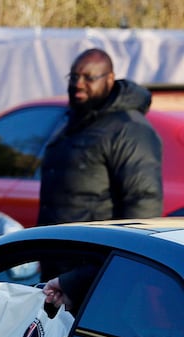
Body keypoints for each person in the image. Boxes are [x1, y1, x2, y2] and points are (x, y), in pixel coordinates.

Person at [37, 48, 163, 227]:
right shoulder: (74, 123)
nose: (78, 84)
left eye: (89, 78)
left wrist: (121, 251)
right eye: (74, 77)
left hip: (95, 249)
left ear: (110, 79)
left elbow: (143, 201)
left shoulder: (129, 128)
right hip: (61, 246)